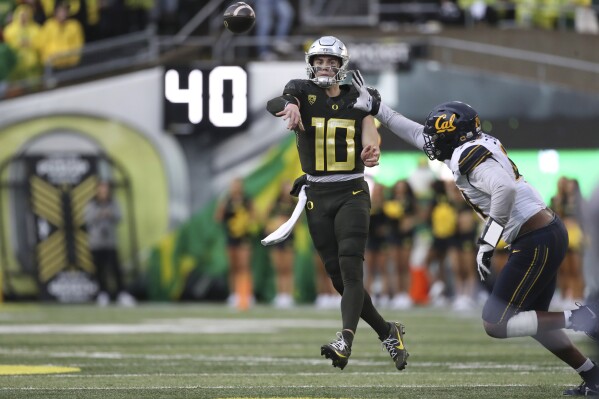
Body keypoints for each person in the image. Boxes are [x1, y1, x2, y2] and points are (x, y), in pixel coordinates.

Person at [349, 69, 599, 395]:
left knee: (496, 322)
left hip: (536, 237)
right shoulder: (470, 146)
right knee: (531, 320)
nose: (431, 140)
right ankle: (592, 376)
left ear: (454, 136)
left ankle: (586, 318)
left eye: (438, 135)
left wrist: (487, 241)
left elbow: (505, 190)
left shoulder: (467, 155)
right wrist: (377, 108)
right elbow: (416, 134)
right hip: (544, 232)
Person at [263, 36, 408, 371]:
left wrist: (372, 146)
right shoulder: (300, 90)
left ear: (342, 65)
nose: (324, 67)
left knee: (350, 267)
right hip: (316, 195)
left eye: (330, 62)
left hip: (351, 192)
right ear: (311, 64)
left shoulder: (358, 95)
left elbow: (369, 126)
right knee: (338, 279)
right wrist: (291, 105)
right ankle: (388, 331)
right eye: (319, 62)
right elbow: (277, 102)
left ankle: (345, 340)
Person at [85, 181, 136, 307]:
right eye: (101, 189)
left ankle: (122, 294)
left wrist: (110, 214)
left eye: (105, 190)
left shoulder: (113, 203)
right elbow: (87, 220)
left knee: (116, 269)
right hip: (96, 243)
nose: (103, 192)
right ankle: (102, 294)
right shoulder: (92, 204)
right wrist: (99, 214)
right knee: (99, 270)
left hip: (110, 242)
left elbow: (119, 216)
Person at [214, 177, 255, 310]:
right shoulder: (227, 200)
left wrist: (248, 223)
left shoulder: (247, 200)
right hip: (230, 238)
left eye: (237, 185)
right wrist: (222, 203)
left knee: (244, 266)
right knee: (233, 267)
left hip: (244, 237)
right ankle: (234, 294)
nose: (235, 188)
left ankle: (246, 294)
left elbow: (255, 216)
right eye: (233, 185)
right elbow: (218, 218)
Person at [264, 180, 296, 308]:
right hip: (277, 238)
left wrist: (286, 224)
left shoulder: (294, 205)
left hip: (288, 238)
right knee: (278, 268)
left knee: (288, 268)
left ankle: (288, 295)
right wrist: (272, 225)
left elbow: (297, 223)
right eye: (285, 187)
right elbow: (265, 217)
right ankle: (280, 294)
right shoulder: (275, 203)